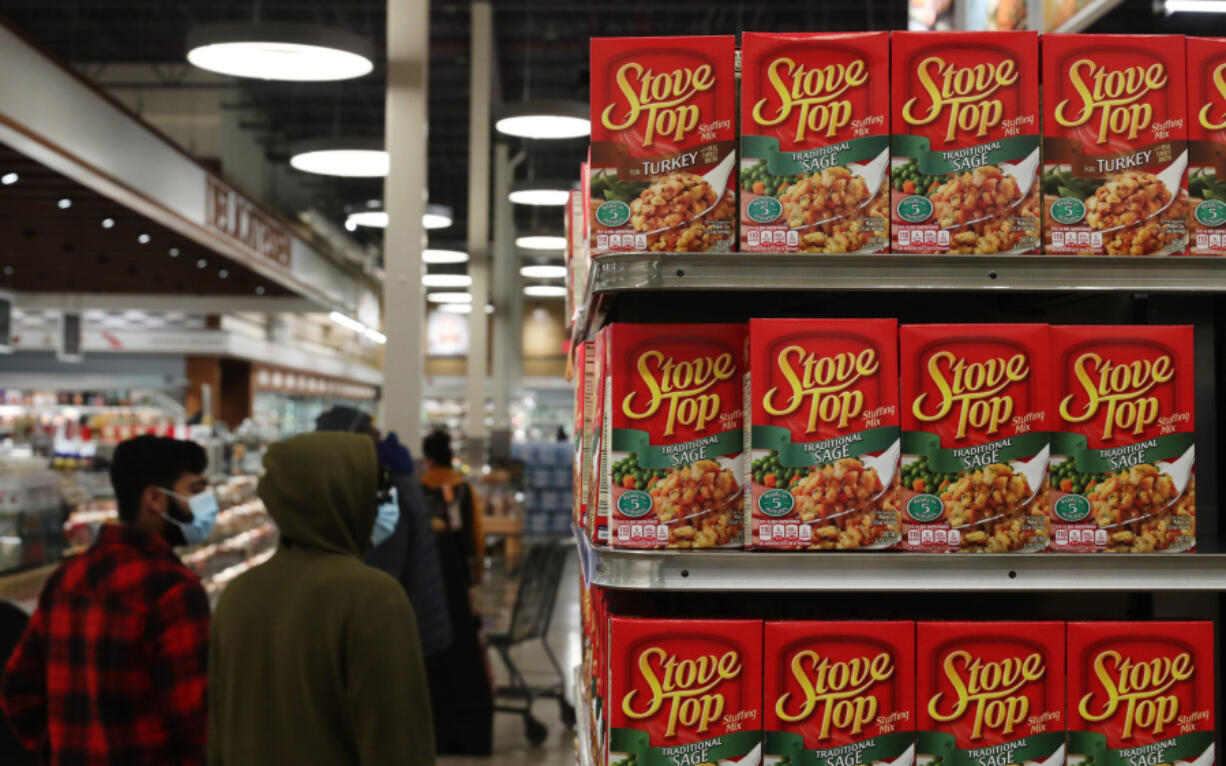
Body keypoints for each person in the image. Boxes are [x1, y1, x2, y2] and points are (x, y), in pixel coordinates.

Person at [208, 431, 434, 766]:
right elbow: (398, 742)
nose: (379, 502)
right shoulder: (374, 598)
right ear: (343, 496)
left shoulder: (237, 595)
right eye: (372, 490)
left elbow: (218, 733)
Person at [1, 435, 213, 765]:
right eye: (196, 490)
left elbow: (18, 688)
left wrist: (60, 748)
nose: (208, 502)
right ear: (155, 498)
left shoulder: (68, 576)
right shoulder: (173, 589)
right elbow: (195, 721)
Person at [315, 406, 452, 658]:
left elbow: (382, 572)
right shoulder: (394, 471)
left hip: (406, 635)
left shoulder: (383, 488)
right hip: (416, 620)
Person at [420, 429, 493, 756]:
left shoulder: (419, 488)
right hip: (458, 578)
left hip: (428, 581)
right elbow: (477, 533)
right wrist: (475, 573)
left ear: (428, 458)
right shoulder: (463, 488)